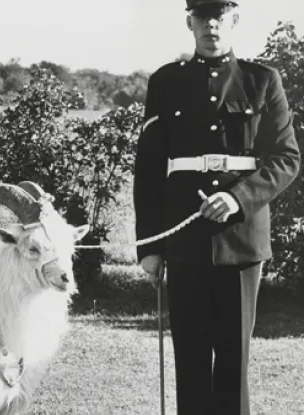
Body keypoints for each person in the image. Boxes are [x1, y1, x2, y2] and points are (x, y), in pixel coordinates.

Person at [133, 1, 301, 414]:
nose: (212, 25)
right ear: (189, 21)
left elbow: (286, 159)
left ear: (234, 21)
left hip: (241, 244)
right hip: (183, 238)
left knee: (233, 361)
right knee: (189, 361)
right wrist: (149, 245)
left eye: (221, 16)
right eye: (203, 16)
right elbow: (150, 169)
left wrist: (237, 198)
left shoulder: (262, 80)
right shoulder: (166, 82)